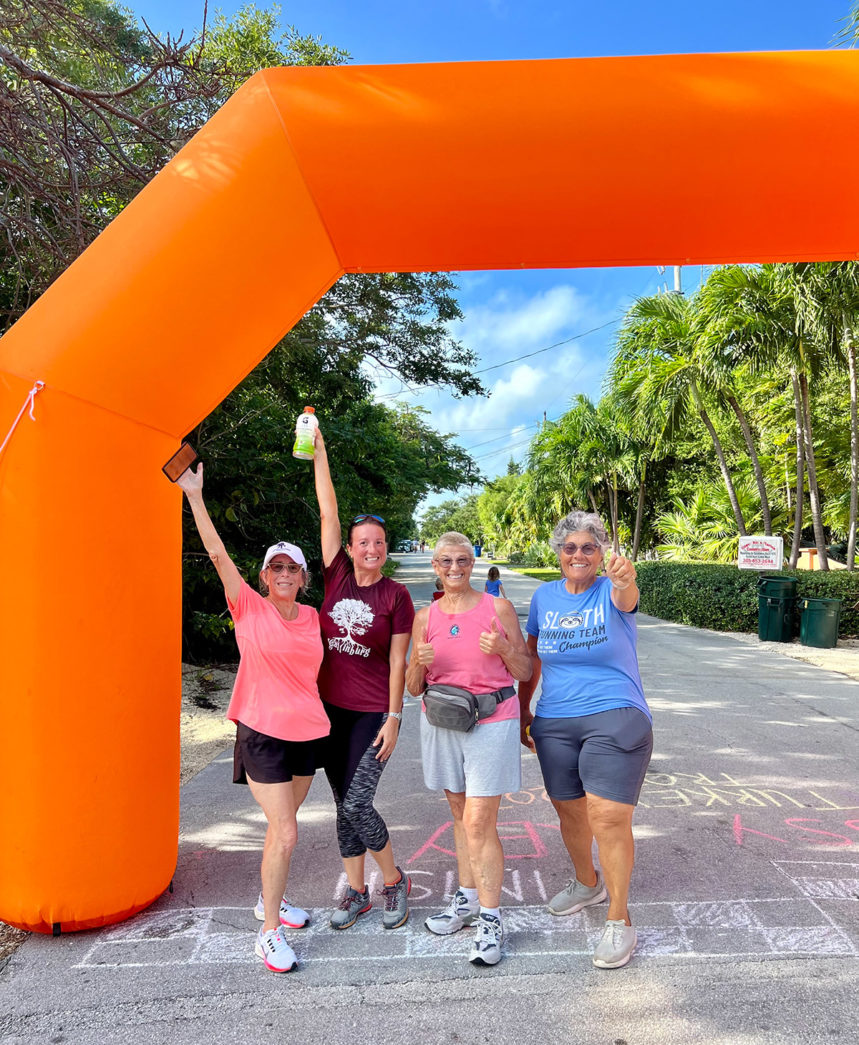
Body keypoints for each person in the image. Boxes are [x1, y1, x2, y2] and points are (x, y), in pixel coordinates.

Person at [177, 463, 329, 974]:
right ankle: (267, 935)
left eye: (292, 569)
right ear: (264, 576)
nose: (284, 575)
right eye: (275, 568)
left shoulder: (312, 618)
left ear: (303, 578)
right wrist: (195, 495)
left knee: (277, 827)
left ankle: (272, 899)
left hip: (308, 733)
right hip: (263, 732)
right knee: (286, 832)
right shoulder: (247, 605)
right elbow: (218, 553)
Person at [517, 510, 652, 970]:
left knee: (608, 816)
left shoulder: (612, 592)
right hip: (554, 720)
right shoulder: (544, 597)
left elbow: (628, 594)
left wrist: (625, 577)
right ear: (558, 552)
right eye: (570, 547)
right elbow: (532, 658)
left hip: (615, 715)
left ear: (600, 554)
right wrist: (523, 709)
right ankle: (585, 882)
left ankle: (619, 918)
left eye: (589, 547)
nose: (578, 554)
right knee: (569, 809)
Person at [405, 532, 532, 967]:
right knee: (459, 814)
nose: (454, 568)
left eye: (462, 560)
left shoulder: (497, 608)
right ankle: (466, 898)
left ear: (472, 564)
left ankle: (492, 918)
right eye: (445, 561)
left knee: (479, 821)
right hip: (442, 722)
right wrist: (418, 664)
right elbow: (411, 686)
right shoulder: (426, 618)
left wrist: (501, 648)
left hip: (492, 720)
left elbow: (525, 668)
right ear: (435, 566)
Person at [312, 431, 414, 930]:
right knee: (340, 805)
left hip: (373, 712)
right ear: (350, 549)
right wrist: (321, 452)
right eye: (362, 542)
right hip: (329, 710)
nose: (370, 548)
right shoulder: (336, 577)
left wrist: (395, 717)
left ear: (386, 548)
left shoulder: (397, 597)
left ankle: (393, 880)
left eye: (378, 542)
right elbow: (328, 511)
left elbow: (398, 663)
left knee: (357, 802)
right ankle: (356, 891)